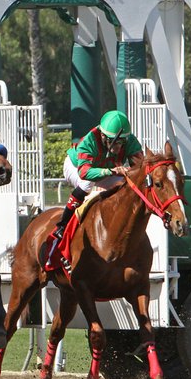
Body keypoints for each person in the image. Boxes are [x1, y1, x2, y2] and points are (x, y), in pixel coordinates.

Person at [45, 109, 144, 268]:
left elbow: (141, 167)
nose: (118, 147)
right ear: (103, 136)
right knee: (87, 184)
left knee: (126, 186)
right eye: (114, 142)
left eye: (121, 143)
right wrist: (110, 171)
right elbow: (84, 172)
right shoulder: (89, 140)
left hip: (105, 169)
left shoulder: (130, 140)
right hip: (76, 167)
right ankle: (62, 226)